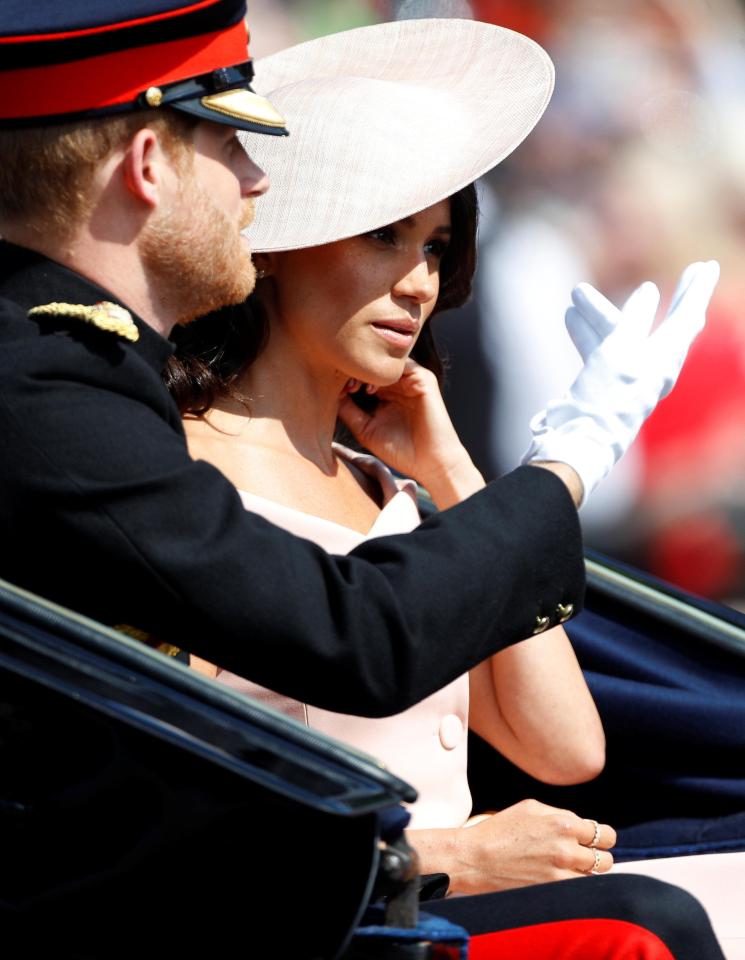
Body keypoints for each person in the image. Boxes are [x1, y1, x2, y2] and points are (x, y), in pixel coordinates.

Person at [0, 6, 725, 958]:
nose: (420, 283)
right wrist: (573, 455)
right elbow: (345, 644)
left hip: (371, 901)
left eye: (434, 248)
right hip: (322, 913)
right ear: (148, 165)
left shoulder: (385, 480)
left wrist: (460, 475)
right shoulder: (105, 417)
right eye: (383, 236)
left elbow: (566, 749)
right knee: (645, 927)